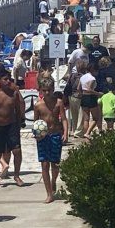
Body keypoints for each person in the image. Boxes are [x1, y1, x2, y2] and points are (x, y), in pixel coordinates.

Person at [0, 68, 24, 187]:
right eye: (5, 79)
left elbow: (18, 111)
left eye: (9, 79)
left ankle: (17, 175)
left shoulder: (14, 94)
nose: (8, 81)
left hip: (12, 126)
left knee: (17, 151)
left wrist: (18, 125)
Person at [34, 75, 68, 204]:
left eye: (49, 90)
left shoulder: (58, 102)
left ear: (53, 89)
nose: (47, 92)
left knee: (55, 164)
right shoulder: (38, 105)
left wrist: (65, 132)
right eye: (44, 90)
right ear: (41, 90)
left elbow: (63, 118)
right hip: (43, 137)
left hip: (55, 135)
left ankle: (53, 181)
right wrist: (37, 134)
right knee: (44, 164)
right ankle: (49, 193)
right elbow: (36, 122)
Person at [79, 62, 102, 139]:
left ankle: (86, 133)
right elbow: (90, 89)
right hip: (91, 98)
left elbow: (79, 88)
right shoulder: (92, 78)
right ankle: (88, 132)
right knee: (96, 118)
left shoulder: (82, 77)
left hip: (83, 97)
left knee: (86, 118)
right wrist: (98, 94)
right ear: (93, 70)